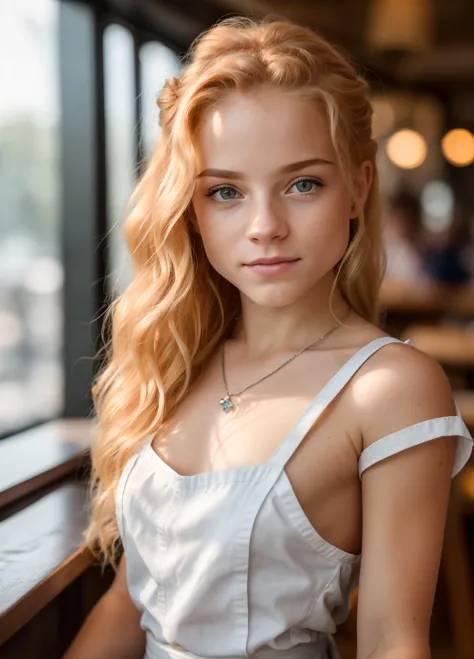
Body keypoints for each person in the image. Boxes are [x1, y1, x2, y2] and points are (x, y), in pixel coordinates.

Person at [64, 17, 473, 659]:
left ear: (359, 189)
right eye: (225, 192)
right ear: (191, 212)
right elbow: (127, 604)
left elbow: (393, 640)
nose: (265, 227)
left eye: (302, 184)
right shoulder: (178, 358)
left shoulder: (390, 388)